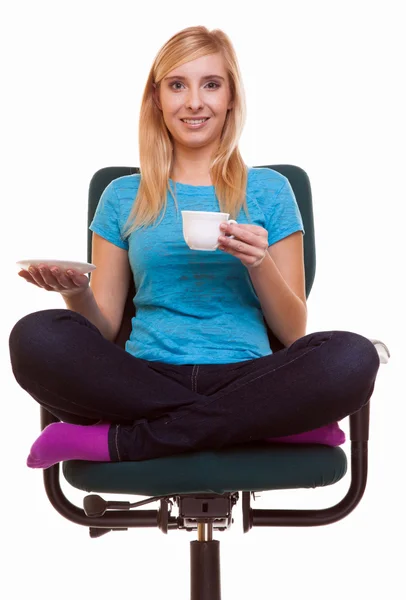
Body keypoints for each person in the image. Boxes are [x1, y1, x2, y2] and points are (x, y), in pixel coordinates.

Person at [9, 26, 380, 469]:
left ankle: (120, 442)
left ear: (231, 98)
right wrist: (74, 292)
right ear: (157, 99)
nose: (194, 102)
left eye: (211, 85)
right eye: (177, 85)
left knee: (353, 356)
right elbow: (103, 331)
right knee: (34, 336)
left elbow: (294, 332)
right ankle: (274, 425)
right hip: (141, 379)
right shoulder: (122, 195)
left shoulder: (270, 190)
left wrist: (259, 263)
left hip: (250, 378)